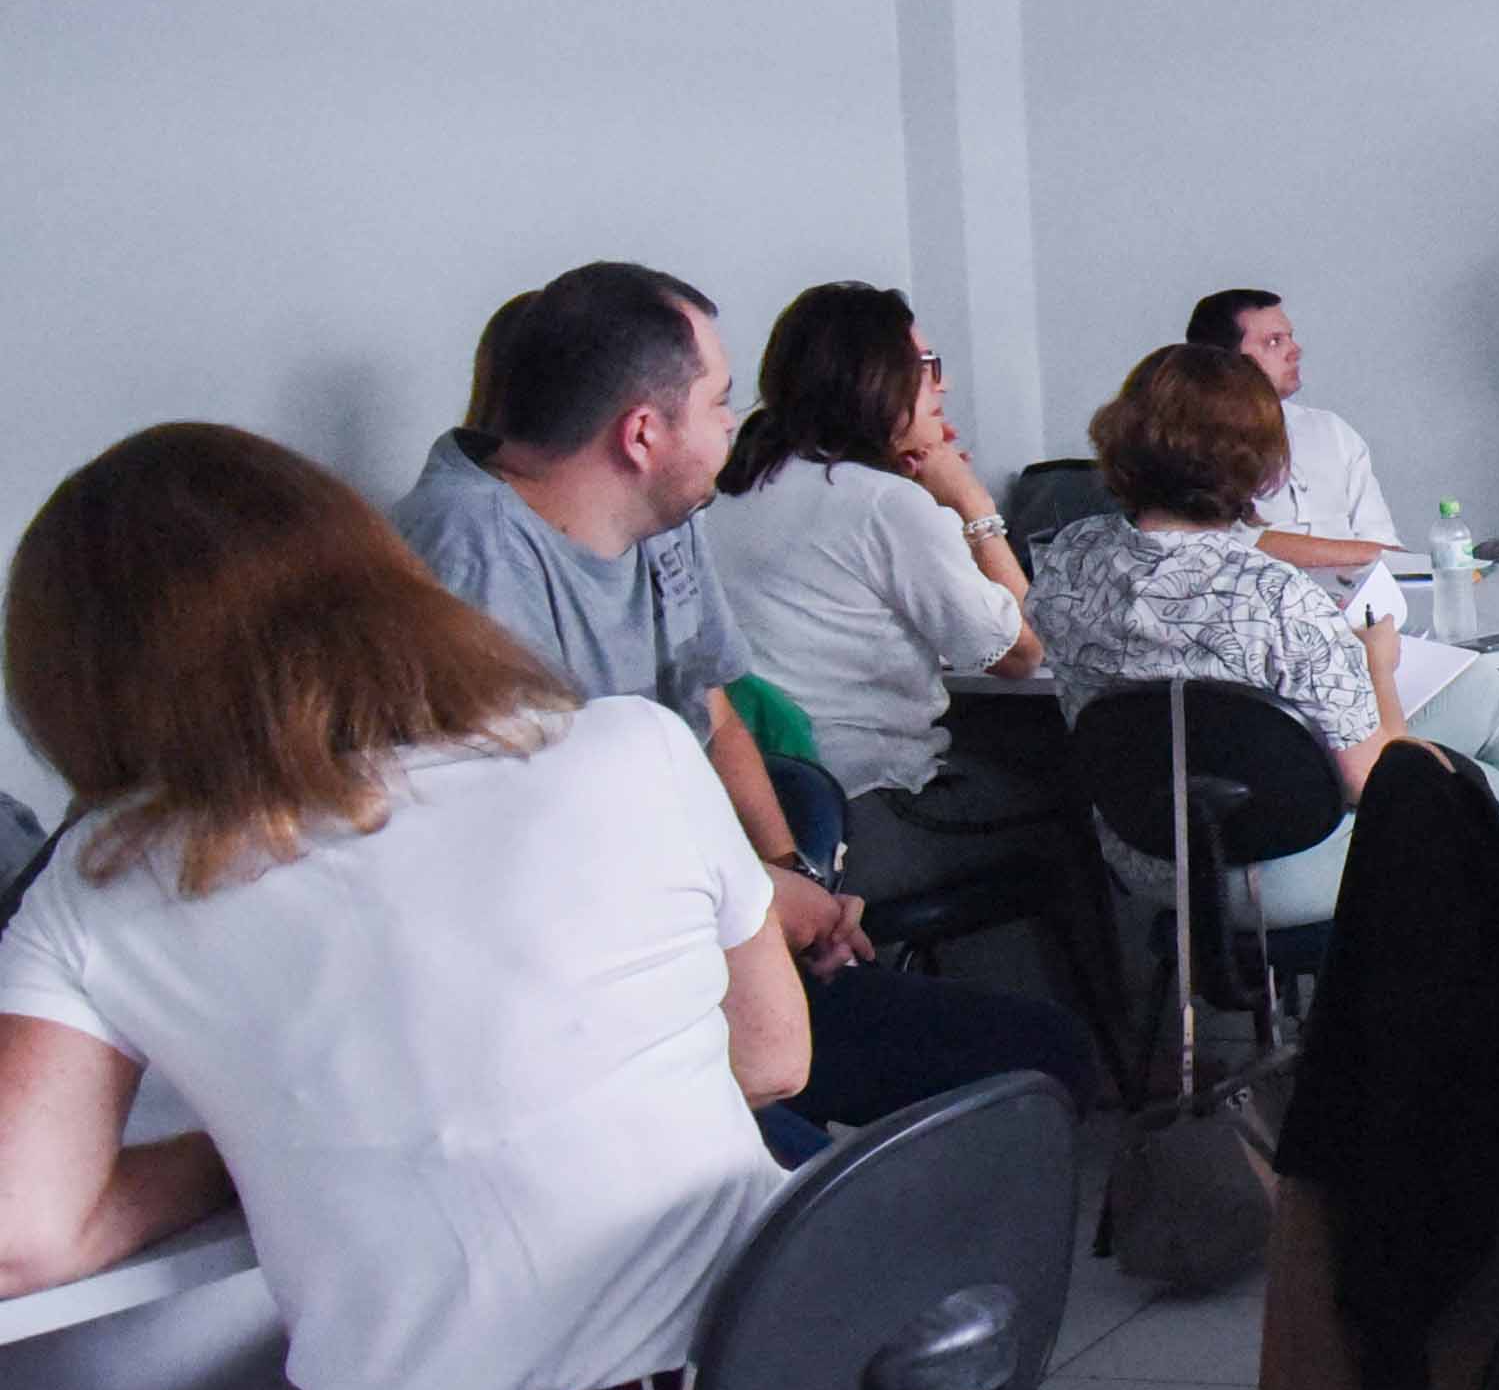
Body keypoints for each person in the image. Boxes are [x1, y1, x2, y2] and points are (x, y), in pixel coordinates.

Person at [0, 424, 900, 1390]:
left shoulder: (105, 880)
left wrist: (249, 1131)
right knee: (721, 1378)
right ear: (374, 580)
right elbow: (774, 1054)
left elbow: (27, 1232)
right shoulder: (626, 751)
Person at [396, 264, 1091, 1156]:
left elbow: (713, 711)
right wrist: (756, 904)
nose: (735, 427)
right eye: (720, 403)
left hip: (710, 926)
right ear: (643, 433)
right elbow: (535, 854)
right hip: (599, 993)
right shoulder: (469, 554)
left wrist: (781, 868)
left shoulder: (663, 517)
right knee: (802, 1184)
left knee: (1044, 1055)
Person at [1031, 344, 1499, 931]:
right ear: (1262, 465)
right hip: (1277, 867)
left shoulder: (1070, 555)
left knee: (1479, 692)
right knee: (1498, 797)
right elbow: (1378, 784)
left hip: (1143, 855)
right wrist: (1377, 664)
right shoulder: (1274, 594)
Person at [705, 283, 1050, 900]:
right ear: (874, 380)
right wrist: (971, 502)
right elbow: (1023, 656)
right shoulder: (884, 504)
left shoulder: (732, 489)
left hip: (762, 814)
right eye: (925, 368)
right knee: (1069, 803)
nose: (940, 386)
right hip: (871, 809)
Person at [1188, 289, 1402, 586]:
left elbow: (1383, 544)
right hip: (1253, 607)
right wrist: (1364, 553)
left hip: (1360, 606)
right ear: (1225, 360)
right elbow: (1224, 547)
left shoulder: (1332, 430)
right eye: (1274, 342)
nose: (1295, 350)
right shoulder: (1189, 439)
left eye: (1290, 337)